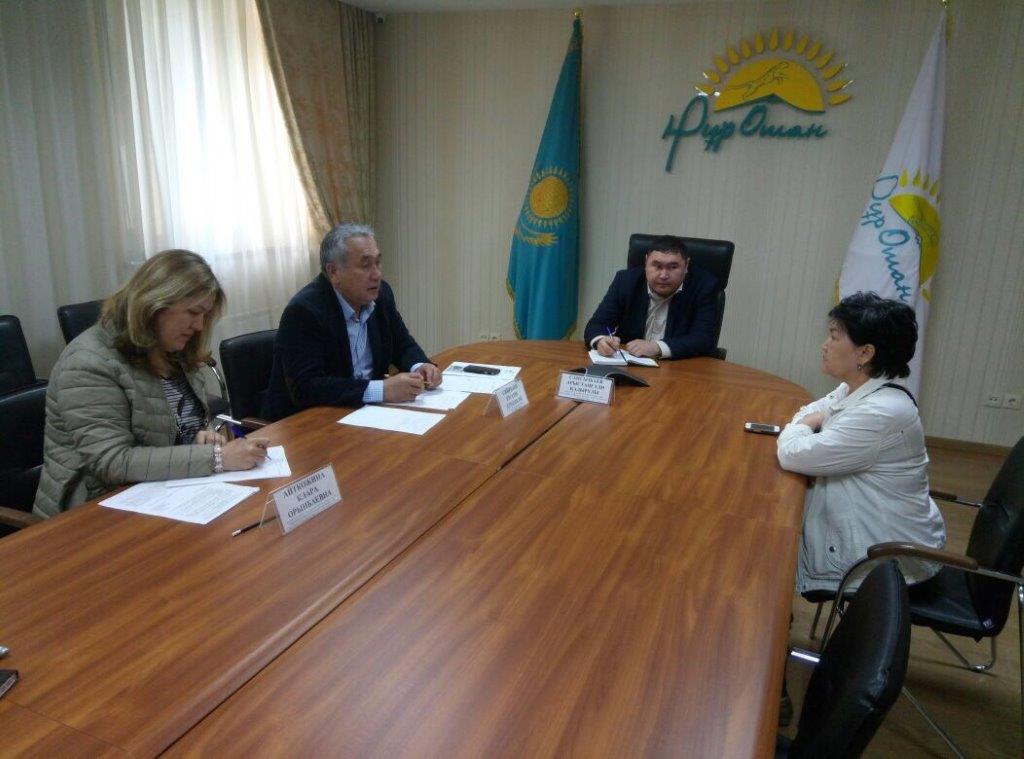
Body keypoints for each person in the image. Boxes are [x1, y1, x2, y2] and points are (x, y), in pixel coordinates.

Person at [33, 250, 269, 519]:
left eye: (204, 315)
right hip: (91, 513)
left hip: (162, 496)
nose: (199, 326)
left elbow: (171, 426)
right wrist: (217, 458)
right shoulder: (88, 362)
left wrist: (200, 435)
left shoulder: (172, 348)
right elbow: (112, 461)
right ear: (155, 303)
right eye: (194, 312)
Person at [777, 291, 946, 593]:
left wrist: (802, 426)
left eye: (834, 337)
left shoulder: (881, 411)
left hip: (887, 560)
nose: (824, 345)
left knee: (767, 543)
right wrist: (808, 421)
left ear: (865, 353)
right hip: (872, 531)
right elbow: (811, 410)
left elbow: (793, 453)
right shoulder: (858, 388)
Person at [262, 223, 440, 420]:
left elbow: (402, 344)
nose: (377, 274)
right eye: (366, 265)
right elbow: (307, 387)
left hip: (363, 414)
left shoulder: (381, 295)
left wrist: (420, 366)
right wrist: (381, 390)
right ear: (333, 272)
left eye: (378, 263)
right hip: (306, 422)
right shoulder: (305, 311)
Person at [583, 236, 722, 360]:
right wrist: (600, 341)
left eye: (673, 267)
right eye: (657, 266)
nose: (663, 275)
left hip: (679, 368)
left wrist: (658, 347)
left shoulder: (704, 286)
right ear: (646, 262)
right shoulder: (626, 281)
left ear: (686, 266)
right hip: (628, 364)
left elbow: (703, 338)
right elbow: (597, 324)